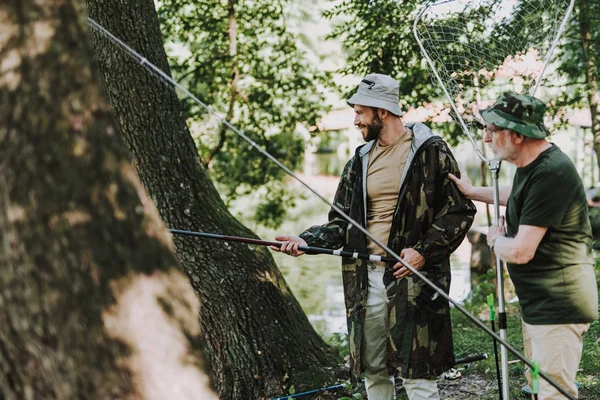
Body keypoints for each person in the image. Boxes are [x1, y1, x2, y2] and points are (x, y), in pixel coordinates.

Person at [273, 74, 476, 400]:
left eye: (359, 112)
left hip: (416, 281)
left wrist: (422, 252)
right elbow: (340, 223)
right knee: (374, 370)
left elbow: (458, 212)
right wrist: (306, 242)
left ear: (382, 111)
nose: (354, 120)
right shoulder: (359, 161)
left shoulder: (430, 152)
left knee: (418, 376)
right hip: (365, 281)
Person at [448, 91, 599, 399]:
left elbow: (519, 251)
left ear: (516, 135)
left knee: (553, 393)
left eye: (492, 130)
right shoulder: (533, 166)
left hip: (558, 304)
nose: (487, 139)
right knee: (538, 387)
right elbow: (517, 194)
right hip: (540, 301)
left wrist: (494, 239)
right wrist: (471, 191)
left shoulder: (551, 172)